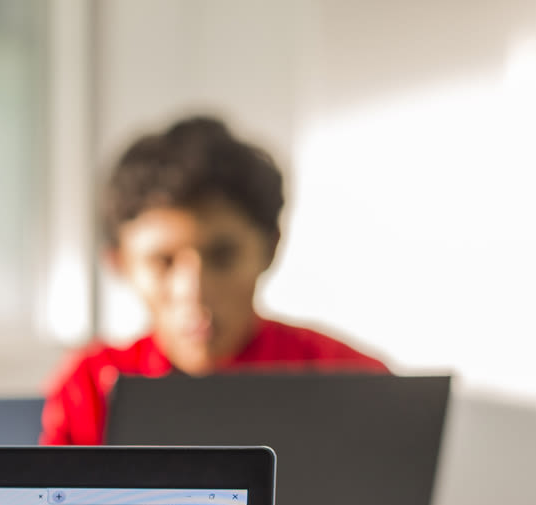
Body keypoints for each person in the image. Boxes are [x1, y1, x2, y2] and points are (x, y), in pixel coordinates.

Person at [41, 115, 387, 446]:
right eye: (163, 262)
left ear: (269, 249)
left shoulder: (352, 382)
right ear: (119, 263)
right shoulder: (90, 389)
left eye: (223, 257)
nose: (194, 291)